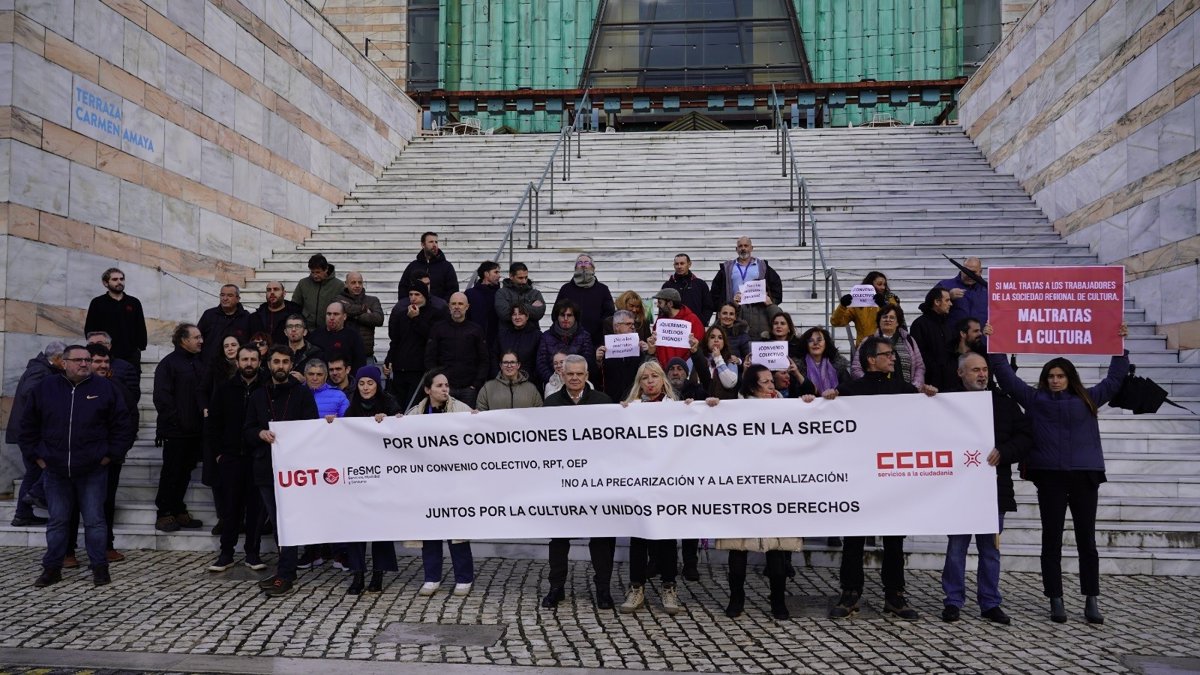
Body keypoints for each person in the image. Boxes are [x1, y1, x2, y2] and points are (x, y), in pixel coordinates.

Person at [988, 323, 1129, 625]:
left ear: (1069, 378)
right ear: (1045, 379)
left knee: (1086, 539)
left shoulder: (1088, 399)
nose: (1055, 380)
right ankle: (1056, 598)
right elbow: (1007, 378)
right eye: (1051, 376)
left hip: (1084, 475)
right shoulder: (1034, 399)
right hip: (1050, 476)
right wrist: (995, 341)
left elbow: (1114, 380)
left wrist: (1120, 347)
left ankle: (1091, 598)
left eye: (1060, 376)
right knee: (1051, 538)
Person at [825, 336, 936, 621]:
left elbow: (925, 417)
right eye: (887, 354)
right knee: (854, 538)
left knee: (894, 539)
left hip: (891, 477)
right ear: (871, 359)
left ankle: (895, 594)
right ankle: (850, 592)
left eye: (893, 354)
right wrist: (824, 401)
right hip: (859, 476)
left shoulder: (904, 389)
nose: (893, 358)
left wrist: (931, 397)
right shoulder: (850, 390)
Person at [21, 345, 133, 588]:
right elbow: (27, 424)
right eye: (78, 360)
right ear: (64, 363)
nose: (84, 364)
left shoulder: (105, 388)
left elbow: (123, 426)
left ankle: (100, 568)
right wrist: (38, 457)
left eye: (87, 360)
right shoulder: (45, 387)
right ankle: (52, 568)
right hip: (55, 470)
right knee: (58, 521)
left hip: (92, 469)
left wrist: (109, 456)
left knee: (95, 521)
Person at [941, 353, 1033, 625]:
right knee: (956, 548)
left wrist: (1004, 452)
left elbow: (1026, 437)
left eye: (984, 370)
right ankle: (953, 601)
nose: (982, 375)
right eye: (975, 370)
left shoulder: (1004, 402)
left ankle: (990, 602)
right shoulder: (947, 403)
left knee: (990, 550)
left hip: (993, 489)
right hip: (959, 489)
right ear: (961, 373)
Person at [713, 363, 804, 619]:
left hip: (776, 486)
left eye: (772, 381)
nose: (772, 385)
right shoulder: (735, 410)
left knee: (777, 549)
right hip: (743, 487)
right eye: (766, 382)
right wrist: (710, 408)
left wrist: (808, 403)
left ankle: (778, 600)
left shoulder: (786, 408)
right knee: (738, 547)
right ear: (753, 387)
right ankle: (736, 598)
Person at [542, 355, 616, 609]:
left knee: (602, 538)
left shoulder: (603, 402)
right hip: (562, 482)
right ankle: (556, 587)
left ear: (587, 375)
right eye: (570, 374)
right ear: (562, 375)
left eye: (579, 374)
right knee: (559, 538)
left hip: (597, 482)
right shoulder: (551, 404)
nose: (574, 378)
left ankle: (603, 589)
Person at [245, 345, 318, 598]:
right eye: (276, 362)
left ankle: (286, 573)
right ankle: (285, 570)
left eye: (285, 362)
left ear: (291, 365)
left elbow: (312, 428)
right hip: (266, 468)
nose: (280, 366)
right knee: (278, 522)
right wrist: (259, 433)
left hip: (294, 471)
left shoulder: (302, 394)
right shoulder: (258, 395)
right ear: (268, 364)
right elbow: (247, 429)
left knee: (289, 522)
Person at [618, 361, 683, 615]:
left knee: (666, 537)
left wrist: (698, 409)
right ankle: (636, 588)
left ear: (662, 379)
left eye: (654, 376)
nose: (650, 381)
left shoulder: (676, 408)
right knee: (639, 537)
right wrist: (620, 414)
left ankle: (669, 587)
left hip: (666, 482)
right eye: (645, 378)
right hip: (639, 483)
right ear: (640, 382)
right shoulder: (631, 409)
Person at [406, 369, 475, 596]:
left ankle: (464, 578)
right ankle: (432, 577)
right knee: (430, 530)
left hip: (454, 481)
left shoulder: (461, 409)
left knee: (457, 530)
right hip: (426, 483)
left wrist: (478, 419)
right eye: (439, 385)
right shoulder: (415, 414)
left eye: (446, 385)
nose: (445, 389)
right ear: (428, 390)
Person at [205, 346, 268, 574]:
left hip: (257, 456)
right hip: (231, 457)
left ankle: (252, 553)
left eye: (253, 359)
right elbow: (213, 424)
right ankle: (226, 554)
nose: (249, 363)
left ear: (260, 362)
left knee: (255, 509)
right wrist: (219, 453)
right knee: (230, 508)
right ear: (237, 362)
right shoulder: (224, 389)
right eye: (245, 359)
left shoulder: (266, 389)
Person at [341, 365, 402, 594]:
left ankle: (378, 573)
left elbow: (399, 427)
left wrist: (389, 421)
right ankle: (357, 574)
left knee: (380, 527)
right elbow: (343, 433)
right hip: (358, 477)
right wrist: (331, 424)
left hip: (383, 478)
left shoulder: (389, 403)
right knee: (356, 528)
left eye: (370, 383)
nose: (366, 388)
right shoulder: (352, 407)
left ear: (378, 385)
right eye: (362, 383)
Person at [152, 323, 208, 533]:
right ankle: (164, 512)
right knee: (172, 472)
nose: (201, 341)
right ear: (184, 340)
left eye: (201, 337)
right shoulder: (168, 364)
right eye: (196, 337)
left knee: (185, 472)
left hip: (195, 431)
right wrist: (177, 421)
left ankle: (177, 508)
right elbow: (162, 397)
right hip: (176, 431)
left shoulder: (199, 362)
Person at [7, 341, 65, 527]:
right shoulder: (40, 370)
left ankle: (23, 513)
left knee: (34, 470)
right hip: (31, 432)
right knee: (36, 470)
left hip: (30, 431)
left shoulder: (43, 369)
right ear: (57, 358)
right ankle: (30, 501)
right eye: (65, 359)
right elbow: (29, 392)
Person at [710, 237, 782, 340]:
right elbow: (715, 291)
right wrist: (724, 307)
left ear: (751, 248)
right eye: (740, 246)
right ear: (736, 249)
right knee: (733, 341)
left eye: (746, 246)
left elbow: (777, 287)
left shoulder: (763, 266)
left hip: (758, 313)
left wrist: (771, 301)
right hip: (734, 312)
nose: (743, 248)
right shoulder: (727, 268)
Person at [424, 292, 488, 407]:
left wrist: (476, 384)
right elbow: (430, 358)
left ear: (467, 306)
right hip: (445, 389)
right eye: (453, 304)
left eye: (460, 304)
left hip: (469, 389)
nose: (457, 307)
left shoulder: (476, 330)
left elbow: (484, 359)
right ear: (449, 306)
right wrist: (438, 382)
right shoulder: (438, 328)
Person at [387, 280, 442, 406]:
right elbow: (395, 340)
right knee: (399, 405)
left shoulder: (435, 314)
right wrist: (389, 359)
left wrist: (416, 319)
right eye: (411, 294)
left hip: (419, 370)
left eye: (417, 294)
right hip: (400, 368)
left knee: (414, 406)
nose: (413, 298)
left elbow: (431, 337)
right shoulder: (402, 314)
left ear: (424, 296)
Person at [84, 268, 147, 371]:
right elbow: (90, 328)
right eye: (115, 279)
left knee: (131, 380)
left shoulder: (134, 302)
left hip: (130, 355)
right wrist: (96, 349)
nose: (119, 282)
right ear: (105, 283)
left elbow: (140, 326)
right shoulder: (98, 302)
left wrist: (140, 347)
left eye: (121, 279)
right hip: (106, 354)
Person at [850, 305, 925, 388]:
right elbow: (856, 368)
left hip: (906, 392)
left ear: (898, 322)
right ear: (879, 321)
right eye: (884, 317)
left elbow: (919, 367)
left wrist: (914, 387)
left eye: (892, 318)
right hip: (876, 392)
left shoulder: (908, 340)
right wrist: (870, 384)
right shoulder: (868, 341)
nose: (888, 320)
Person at [830, 271, 900, 347]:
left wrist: (884, 306)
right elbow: (836, 322)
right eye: (879, 284)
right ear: (870, 285)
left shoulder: (891, 299)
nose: (883, 287)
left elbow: (898, 320)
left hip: (887, 346)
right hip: (864, 348)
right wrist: (842, 305)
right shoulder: (857, 303)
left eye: (884, 285)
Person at [556, 253, 615, 343]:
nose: (583, 265)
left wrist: (597, 327)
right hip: (570, 340)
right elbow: (556, 313)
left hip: (596, 340)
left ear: (593, 268)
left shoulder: (603, 289)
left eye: (586, 262)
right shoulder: (565, 289)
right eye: (580, 262)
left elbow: (609, 313)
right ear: (575, 268)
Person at [909, 285, 957, 392]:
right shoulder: (919, 324)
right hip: (929, 384)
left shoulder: (947, 324)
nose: (951, 304)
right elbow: (919, 355)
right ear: (937, 302)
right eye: (947, 300)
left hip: (949, 381)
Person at [596, 309, 650, 401]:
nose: (632, 327)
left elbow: (646, 370)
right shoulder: (605, 348)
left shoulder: (638, 346)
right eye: (628, 324)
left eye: (633, 324)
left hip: (635, 397)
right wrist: (598, 361)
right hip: (611, 398)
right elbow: (597, 376)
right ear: (617, 326)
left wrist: (648, 353)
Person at [538, 299, 595, 385]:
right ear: (557, 317)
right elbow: (541, 364)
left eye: (569, 315)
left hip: (578, 383)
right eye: (562, 315)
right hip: (553, 384)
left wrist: (573, 379)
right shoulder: (546, 336)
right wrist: (554, 380)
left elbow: (588, 362)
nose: (565, 318)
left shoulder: (584, 336)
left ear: (575, 317)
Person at [647, 288, 703, 371]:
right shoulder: (660, 320)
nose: (658, 305)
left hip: (685, 370)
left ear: (670, 303)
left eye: (660, 302)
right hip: (662, 369)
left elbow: (697, 345)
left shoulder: (692, 320)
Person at [197, 285, 251, 364]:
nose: (225, 298)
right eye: (222, 295)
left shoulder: (246, 317)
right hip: (209, 365)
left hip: (236, 366)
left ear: (238, 299)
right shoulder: (209, 315)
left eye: (230, 295)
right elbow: (198, 338)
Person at [337, 272, 385, 361]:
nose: (357, 285)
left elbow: (379, 319)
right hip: (344, 355)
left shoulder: (373, 300)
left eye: (360, 282)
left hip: (366, 354)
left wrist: (352, 315)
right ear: (346, 284)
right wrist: (365, 310)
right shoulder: (338, 299)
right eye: (353, 282)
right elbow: (339, 312)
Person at [308, 302, 367, 373]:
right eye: (329, 314)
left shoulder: (353, 336)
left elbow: (360, 363)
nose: (331, 318)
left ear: (344, 316)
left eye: (336, 314)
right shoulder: (315, 335)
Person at [399, 232, 458, 301]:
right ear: (423, 245)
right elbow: (403, 288)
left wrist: (442, 305)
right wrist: (407, 304)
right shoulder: (413, 266)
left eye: (436, 242)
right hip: (415, 307)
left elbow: (453, 290)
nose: (434, 245)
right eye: (431, 242)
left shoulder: (447, 267)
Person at [291, 253, 345, 330]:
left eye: (318, 272)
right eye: (312, 272)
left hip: (329, 329)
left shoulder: (339, 285)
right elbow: (295, 305)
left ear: (326, 269)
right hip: (307, 329)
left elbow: (343, 309)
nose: (315, 276)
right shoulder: (303, 283)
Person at [465, 261, 502, 368]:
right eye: (496, 272)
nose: (499, 276)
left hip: (496, 345)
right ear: (486, 274)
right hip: (475, 344)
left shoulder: (501, 294)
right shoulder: (470, 294)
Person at [477, 350, 542, 411]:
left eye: (512, 362)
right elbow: (481, 412)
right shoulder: (488, 388)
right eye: (505, 362)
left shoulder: (531, 389)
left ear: (518, 365)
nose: (509, 366)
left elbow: (539, 412)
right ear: (501, 365)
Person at [497, 304, 542, 389]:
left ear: (527, 317)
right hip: (505, 382)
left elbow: (539, 361)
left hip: (530, 382)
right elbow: (494, 356)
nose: (517, 317)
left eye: (520, 314)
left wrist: (532, 378)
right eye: (514, 314)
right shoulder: (502, 335)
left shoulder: (537, 336)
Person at [663, 253, 714, 325]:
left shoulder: (700, 284)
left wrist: (703, 321)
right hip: (673, 327)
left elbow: (708, 306)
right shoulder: (667, 286)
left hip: (695, 325)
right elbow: (662, 307)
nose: (679, 266)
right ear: (674, 266)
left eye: (682, 263)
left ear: (689, 264)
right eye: (677, 264)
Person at [495, 262, 547, 331]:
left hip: (531, 333)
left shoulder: (535, 293)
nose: (524, 281)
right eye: (520, 278)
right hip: (508, 334)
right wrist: (528, 307)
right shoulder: (501, 293)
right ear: (511, 276)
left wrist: (514, 309)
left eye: (526, 277)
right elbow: (504, 314)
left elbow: (539, 313)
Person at [693, 325, 740, 399]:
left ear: (724, 342)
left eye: (720, 338)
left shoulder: (730, 359)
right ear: (707, 341)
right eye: (712, 337)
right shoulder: (697, 358)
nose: (716, 340)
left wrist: (718, 358)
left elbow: (729, 383)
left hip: (724, 404)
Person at [248, 280, 302, 345]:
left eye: (276, 289)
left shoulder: (296, 315)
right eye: (269, 290)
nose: (272, 292)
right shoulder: (255, 318)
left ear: (284, 293)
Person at [942, 256, 988, 326]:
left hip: (981, 332)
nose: (969, 275)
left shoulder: (988, 289)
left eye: (973, 272)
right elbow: (929, 307)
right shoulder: (945, 285)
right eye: (966, 271)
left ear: (980, 272)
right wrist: (948, 296)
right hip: (952, 332)